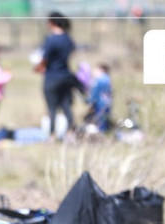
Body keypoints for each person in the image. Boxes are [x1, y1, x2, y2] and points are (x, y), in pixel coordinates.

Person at [34, 12, 77, 140]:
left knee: (51, 108)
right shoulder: (68, 39)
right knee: (66, 106)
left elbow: (44, 59)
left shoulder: (51, 40)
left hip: (52, 77)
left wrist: (38, 67)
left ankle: (52, 135)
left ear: (52, 23)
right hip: (66, 76)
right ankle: (71, 132)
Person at [85, 63, 112, 132]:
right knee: (105, 119)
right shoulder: (108, 79)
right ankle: (105, 131)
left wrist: (90, 101)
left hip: (100, 103)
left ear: (101, 70)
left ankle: (101, 133)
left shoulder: (99, 80)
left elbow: (95, 93)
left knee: (99, 120)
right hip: (107, 103)